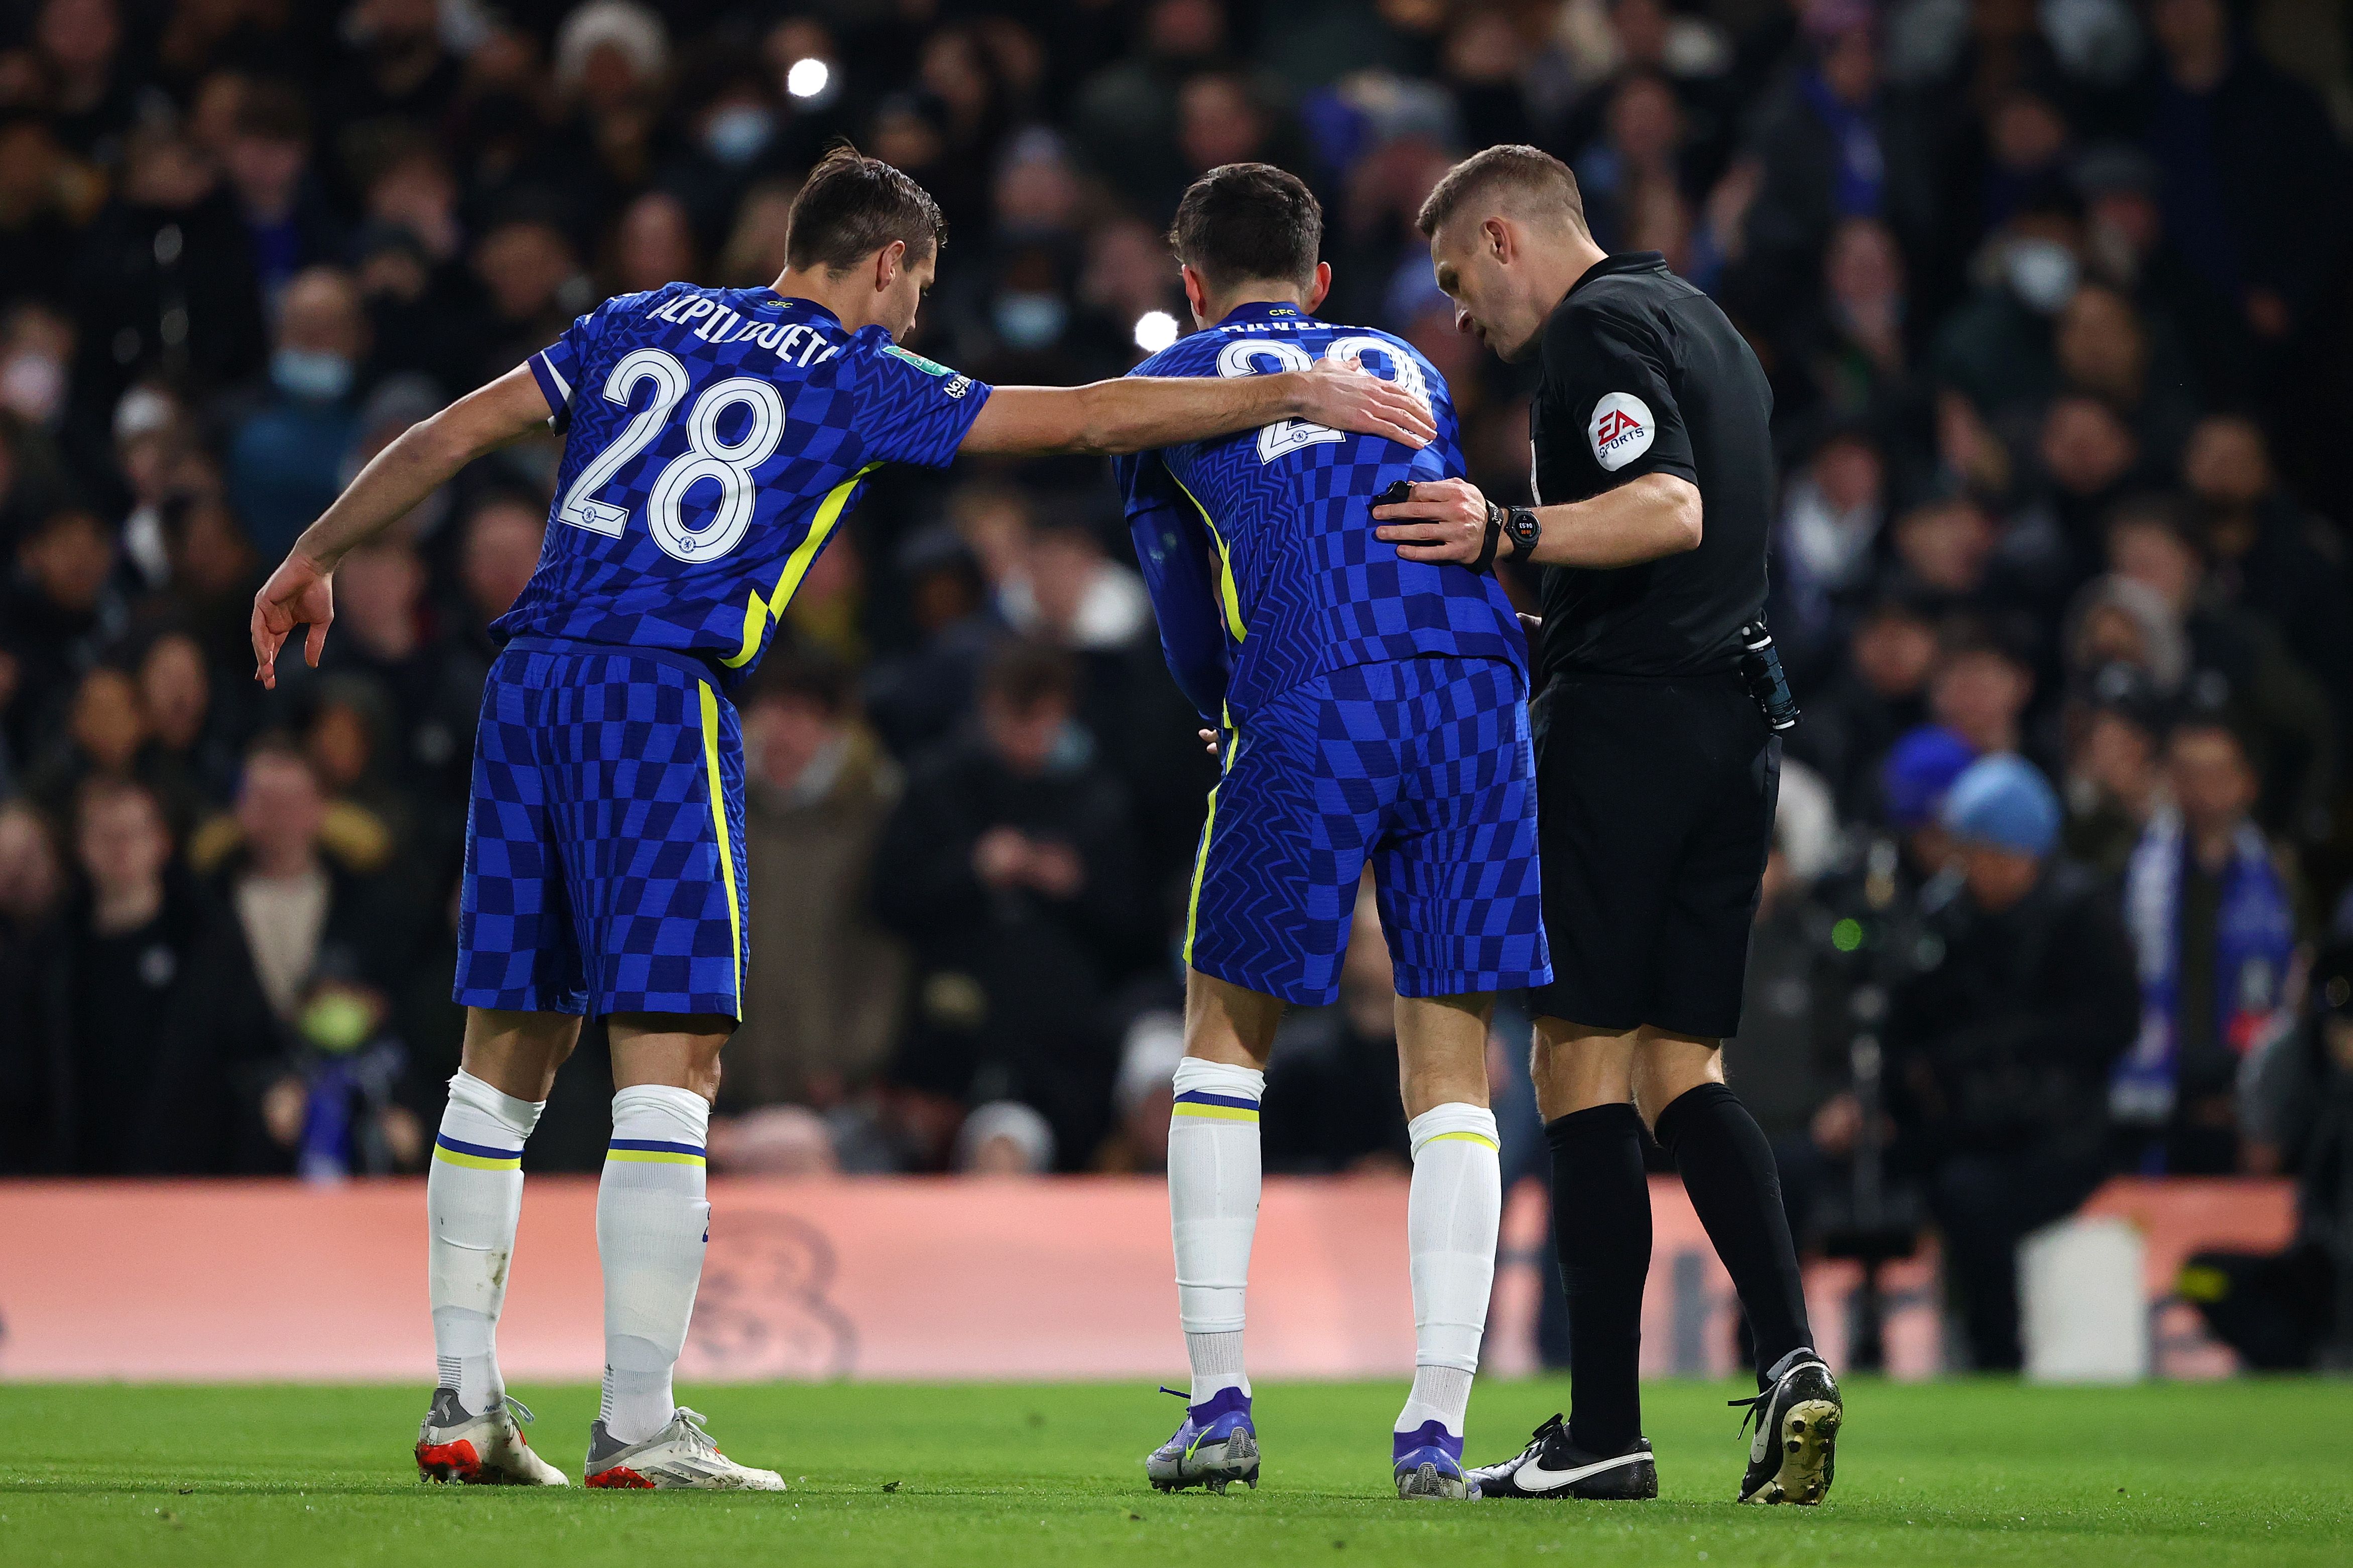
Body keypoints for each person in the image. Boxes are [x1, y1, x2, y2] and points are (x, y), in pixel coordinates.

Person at [245, 144, 1434, 1493]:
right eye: (916, 288)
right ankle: (636, 1420)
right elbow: (1090, 418)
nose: (916, 316)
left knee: (499, 1057)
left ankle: (462, 1400)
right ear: (885, 262)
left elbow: (446, 436)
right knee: (671, 1063)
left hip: (527, 684)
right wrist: (1293, 385)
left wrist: (314, 554)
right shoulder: (857, 374)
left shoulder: (636, 318)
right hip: (657, 691)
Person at [1377, 143, 1838, 1505]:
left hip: (1623, 735)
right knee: (1681, 1070)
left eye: (1457, 281)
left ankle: (1601, 1431)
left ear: (1504, 238)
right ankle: (1791, 1357)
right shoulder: (1706, 325)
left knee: (1574, 1067)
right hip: (1733, 731)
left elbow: (1666, 508)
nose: (1460, 316)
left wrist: (1501, 530)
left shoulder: (1591, 332)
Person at [1113, 163, 1545, 1501]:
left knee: (1222, 1040)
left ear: (1191, 284)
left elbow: (1182, 602)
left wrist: (1219, 708)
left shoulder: (1170, 385)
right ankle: (1435, 1429)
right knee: (1453, 1069)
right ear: (1317, 280)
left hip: (1313, 689)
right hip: (1475, 691)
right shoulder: (1400, 362)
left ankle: (1218, 1405)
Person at [1886, 754, 2141, 1370]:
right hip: (1965, 1126)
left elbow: (2113, 1025)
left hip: (2060, 1134)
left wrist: (1994, 1049)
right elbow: (1908, 1020)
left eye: (1981, 851)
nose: (1970, 866)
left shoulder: (2081, 914)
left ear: (2019, 853)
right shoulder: (1948, 917)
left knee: (1972, 1196)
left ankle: (1995, 1351)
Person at [2110, 716, 2298, 1174]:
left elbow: (2296, 980)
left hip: (2244, 1081)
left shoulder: (2278, 872)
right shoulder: (2134, 867)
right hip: (2156, 1084)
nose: (2202, 790)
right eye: (2188, 774)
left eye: (2216, 774)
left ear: (2246, 782)